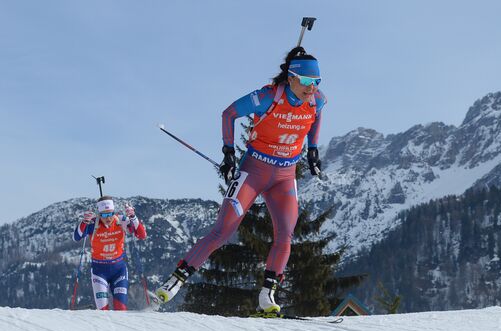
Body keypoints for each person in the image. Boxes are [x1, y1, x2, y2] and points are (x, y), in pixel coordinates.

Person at [156, 46, 326, 314]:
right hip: (253, 171)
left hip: (285, 176)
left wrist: (313, 149)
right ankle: (175, 281)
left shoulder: (316, 100)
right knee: (223, 231)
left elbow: (317, 118)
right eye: (306, 82)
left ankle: (267, 295)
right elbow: (229, 114)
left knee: (285, 234)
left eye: (316, 82)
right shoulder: (267, 97)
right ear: (291, 77)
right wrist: (228, 152)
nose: (311, 88)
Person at [73, 196, 147, 310]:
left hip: (119, 270)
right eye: (104, 215)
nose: (108, 218)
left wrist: (133, 217)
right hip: (99, 272)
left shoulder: (121, 221)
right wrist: (84, 222)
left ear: (114, 212)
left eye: (110, 214)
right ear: (99, 214)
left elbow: (141, 235)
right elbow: (76, 237)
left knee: (120, 308)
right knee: (103, 311)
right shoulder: (93, 224)